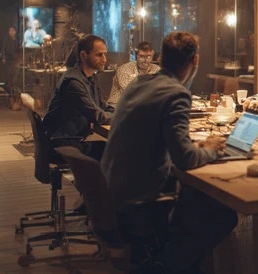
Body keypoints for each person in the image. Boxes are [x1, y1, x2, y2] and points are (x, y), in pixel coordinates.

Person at [101, 32, 237, 274]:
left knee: (196, 198)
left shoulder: (136, 86)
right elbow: (185, 160)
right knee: (223, 213)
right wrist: (212, 150)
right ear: (195, 61)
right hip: (140, 204)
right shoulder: (176, 93)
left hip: (111, 195)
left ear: (160, 58)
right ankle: (162, 266)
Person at [42, 35, 114, 161]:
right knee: (115, 154)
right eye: (99, 55)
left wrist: (122, 112)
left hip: (72, 140)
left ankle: (89, 180)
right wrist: (123, 117)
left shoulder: (91, 77)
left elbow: (102, 106)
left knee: (113, 150)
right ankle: (89, 181)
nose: (104, 59)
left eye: (105, 54)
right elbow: (97, 116)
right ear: (83, 55)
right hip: (61, 145)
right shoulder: (73, 82)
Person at [107, 41, 160, 106]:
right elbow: (132, 93)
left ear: (152, 55)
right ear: (136, 56)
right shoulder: (124, 69)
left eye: (148, 56)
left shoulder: (157, 70)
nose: (145, 60)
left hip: (144, 106)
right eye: (141, 56)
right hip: (118, 105)